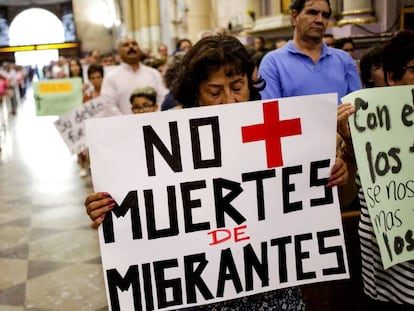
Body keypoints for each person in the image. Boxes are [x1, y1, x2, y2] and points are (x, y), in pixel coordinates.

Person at [85, 34, 349, 310]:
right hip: (202, 292)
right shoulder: (165, 140)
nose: (230, 101)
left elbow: (324, 204)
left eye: (238, 87)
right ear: (195, 94)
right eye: (215, 92)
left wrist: (333, 176)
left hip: (272, 291)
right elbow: (142, 207)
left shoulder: (278, 132)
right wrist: (106, 207)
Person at [338, 29, 414, 310]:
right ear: (392, 77)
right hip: (388, 264)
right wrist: (348, 146)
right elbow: (344, 200)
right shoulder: (363, 122)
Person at [259, 0, 362, 103]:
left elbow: (357, 107)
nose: (320, 20)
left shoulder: (344, 60)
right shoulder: (273, 63)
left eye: (325, 15)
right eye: (312, 12)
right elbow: (271, 114)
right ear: (295, 17)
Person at [100, 36, 167, 115]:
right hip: (124, 124)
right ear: (119, 53)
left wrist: (154, 116)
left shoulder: (154, 74)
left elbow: (162, 98)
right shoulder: (111, 77)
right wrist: (128, 122)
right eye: (126, 45)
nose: (131, 46)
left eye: (134, 44)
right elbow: (108, 105)